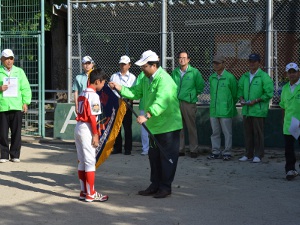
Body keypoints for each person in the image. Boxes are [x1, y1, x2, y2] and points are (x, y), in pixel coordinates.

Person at [109, 50, 182, 198]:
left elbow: (162, 101)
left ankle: (165, 187)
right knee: (153, 157)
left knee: (166, 158)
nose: (142, 68)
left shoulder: (165, 80)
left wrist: (147, 115)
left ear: (154, 65)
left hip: (168, 127)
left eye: (144, 66)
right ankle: (155, 184)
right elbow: (135, 92)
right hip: (154, 127)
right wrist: (120, 88)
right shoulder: (145, 78)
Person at [74, 68, 109, 202]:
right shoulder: (94, 95)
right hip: (87, 128)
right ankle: (91, 193)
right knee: (90, 162)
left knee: (82, 161)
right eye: (103, 82)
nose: (103, 85)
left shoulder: (83, 92)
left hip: (78, 127)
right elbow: (93, 117)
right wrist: (95, 134)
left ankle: (84, 191)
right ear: (97, 81)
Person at [237, 53, 274, 163]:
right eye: (250, 61)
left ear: (259, 63)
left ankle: (258, 154)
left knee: (258, 133)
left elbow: (269, 93)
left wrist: (256, 100)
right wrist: (241, 98)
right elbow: (240, 89)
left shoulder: (264, 76)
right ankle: (248, 154)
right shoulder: (244, 76)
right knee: (248, 133)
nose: (252, 63)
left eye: (254, 61)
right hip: (247, 110)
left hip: (258, 110)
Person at [0, 49, 32, 163]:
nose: (9, 61)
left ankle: (15, 155)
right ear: (1, 60)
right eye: (6, 58)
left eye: (11, 58)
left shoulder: (19, 72)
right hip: (2, 107)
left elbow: (25, 88)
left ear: (13, 59)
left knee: (16, 132)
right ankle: (3, 155)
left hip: (17, 106)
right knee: (2, 133)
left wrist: (25, 102)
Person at [171, 50, 204, 158]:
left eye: (184, 58)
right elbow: (171, 87)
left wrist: (191, 95)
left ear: (188, 60)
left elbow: (200, 86)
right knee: (179, 127)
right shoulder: (175, 72)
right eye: (180, 57)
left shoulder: (194, 72)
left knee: (191, 127)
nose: (182, 60)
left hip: (189, 103)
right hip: (177, 103)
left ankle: (194, 149)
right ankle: (181, 149)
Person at [207, 54, 238, 161]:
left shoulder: (230, 77)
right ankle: (215, 152)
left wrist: (229, 104)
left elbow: (235, 94)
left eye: (218, 63)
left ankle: (227, 152)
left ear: (224, 64)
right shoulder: (212, 78)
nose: (215, 65)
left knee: (227, 133)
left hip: (226, 110)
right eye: (214, 63)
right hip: (214, 110)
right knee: (215, 133)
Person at [110, 55, 136, 155]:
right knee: (117, 126)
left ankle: (128, 148)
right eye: (121, 64)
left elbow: (133, 92)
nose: (122, 66)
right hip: (116, 103)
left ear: (129, 65)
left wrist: (128, 100)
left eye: (124, 64)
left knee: (127, 127)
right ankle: (117, 147)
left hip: (127, 103)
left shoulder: (133, 77)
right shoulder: (114, 76)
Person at [279, 62, 300, 180]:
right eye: (289, 72)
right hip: (289, 124)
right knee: (289, 149)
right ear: (287, 74)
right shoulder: (285, 88)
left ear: (298, 72)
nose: (292, 75)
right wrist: (283, 120)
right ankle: (290, 170)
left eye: (294, 72)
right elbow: (282, 106)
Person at [136, 72, 149, 156]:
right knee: (144, 130)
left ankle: (155, 148)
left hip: (155, 107)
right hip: (143, 106)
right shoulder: (141, 75)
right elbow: (137, 89)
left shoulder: (160, 74)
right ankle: (145, 149)